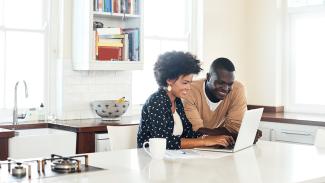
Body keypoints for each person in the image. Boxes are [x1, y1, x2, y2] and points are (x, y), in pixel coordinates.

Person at [137, 52, 234, 150]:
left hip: (172, 158)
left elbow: (188, 133)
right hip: (151, 159)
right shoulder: (156, 101)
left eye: (190, 83)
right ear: (170, 80)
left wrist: (214, 139)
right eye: (185, 83)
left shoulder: (177, 101)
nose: (188, 88)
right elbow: (165, 142)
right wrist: (204, 141)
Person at [183, 57, 262, 141]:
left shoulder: (237, 89)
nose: (225, 88)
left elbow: (234, 128)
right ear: (208, 77)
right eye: (220, 82)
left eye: (230, 84)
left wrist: (242, 133)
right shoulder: (189, 90)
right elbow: (197, 132)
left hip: (220, 145)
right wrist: (239, 136)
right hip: (194, 146)